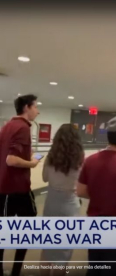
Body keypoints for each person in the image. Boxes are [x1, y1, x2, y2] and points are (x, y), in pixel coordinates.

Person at [77, 116, 116, 276]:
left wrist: (100, 194)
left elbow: (80, 191)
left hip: (94, 223)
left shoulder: (90, 161)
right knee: (113, 269)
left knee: (95, 266)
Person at [0, 94, 40, 276]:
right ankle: (16, 271)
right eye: (35, 107)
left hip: (5, 187)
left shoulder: (7, 126)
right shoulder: (23, 128)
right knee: (27, 229)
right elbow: (10, 159)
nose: (37, 111)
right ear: (26, 108)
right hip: (15, 189)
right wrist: (31, 163)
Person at [40, 124, 84, 276]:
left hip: (51, 203)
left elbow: (45, 178)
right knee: (64, 250)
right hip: (70, 204)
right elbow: (81, 184)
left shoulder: (50, 157)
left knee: (47, 247)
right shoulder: (79, 159)